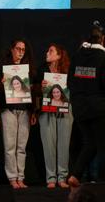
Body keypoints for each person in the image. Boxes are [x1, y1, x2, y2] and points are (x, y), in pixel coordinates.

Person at [67, 27, 105, 188]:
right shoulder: (104, 57)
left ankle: (75, 175)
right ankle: (103, 183)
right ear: (102, 40)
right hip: (100, 108)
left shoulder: (77, 56)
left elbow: (70, 82)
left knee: (89, 143)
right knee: (104, 146)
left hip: (80, 109)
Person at [0, 39, 36, 189]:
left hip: (24, 110)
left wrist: (33, 111)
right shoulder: (3, 67)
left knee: (21, 147)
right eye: (18, 49)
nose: (21, 52)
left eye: (23, 49)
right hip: (8, 110)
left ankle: (21, 177)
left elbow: (32, 93)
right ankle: (12, 178)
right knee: (10, 146)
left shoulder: (28, 70)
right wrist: (1, 85)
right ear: (12, 49)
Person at [38, 43, 72, 189]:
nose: (47, 53)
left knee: (64, 144)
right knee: (48, 145)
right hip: (47, 110)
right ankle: (51, 178)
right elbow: (30, 91)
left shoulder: (68, 71)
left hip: (65, 110)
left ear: (59, 55)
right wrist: (40, 87)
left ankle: (62, 177)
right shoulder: (41, 71)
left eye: (51, 51)